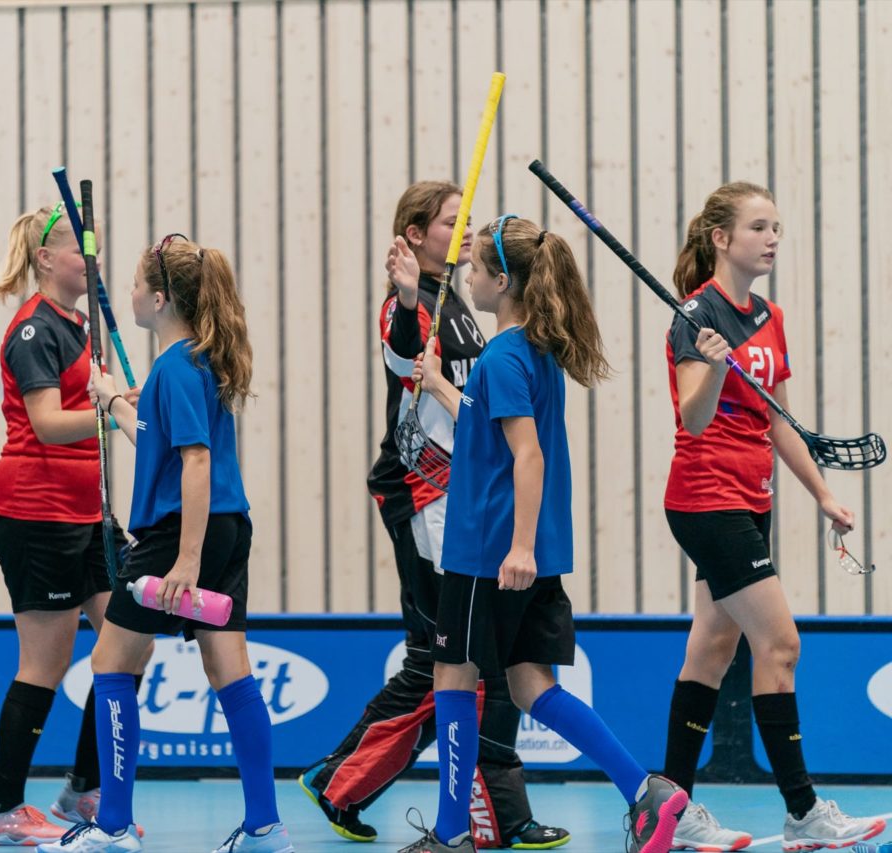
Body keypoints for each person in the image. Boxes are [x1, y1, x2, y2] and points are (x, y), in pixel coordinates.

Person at [400, 216, 687, 853]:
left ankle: (450, 835)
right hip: (529, 550)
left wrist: (518, 546)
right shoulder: (533, 349)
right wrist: (442, 385)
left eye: (475, 268)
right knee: (532, 687)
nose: (468, 275)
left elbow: (526, 456)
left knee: (452, 677)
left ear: (503, 281)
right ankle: (647, 793)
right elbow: (486, 424)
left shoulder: (503, 355)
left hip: (490, 551)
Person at [299, 181, 567, 849]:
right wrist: (411, 296)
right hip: (428, 497)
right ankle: (364, 784)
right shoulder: (414, 302)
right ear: (415, 235)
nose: (466, 232)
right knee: (453, 661)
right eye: (453, 222)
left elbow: (472, 400)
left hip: (469, 497)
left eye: (470, 221)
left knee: (458, 661)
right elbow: (400, 357)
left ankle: (357, 783)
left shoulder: (473, 308)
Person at [659, 183, 887, 852]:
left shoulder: (769, 316)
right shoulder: (692, 314)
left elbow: (777, 420)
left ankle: (669, 811)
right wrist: (707, 363)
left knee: (711, 647)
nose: (772, 238)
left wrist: (822, 493)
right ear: (722, 238)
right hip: (704, 497)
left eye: (776, 227)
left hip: (751, 499)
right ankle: (803, 811)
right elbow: (692, 418)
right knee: (780, 644)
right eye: (759, 227)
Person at [54, 234, 292, 853]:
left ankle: (111, 828)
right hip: (227, 528)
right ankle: (265, 826)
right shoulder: (190, 363)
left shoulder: (177, 367)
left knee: (111, 666)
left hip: (183, 535)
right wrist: (110, 404)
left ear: (158, 299)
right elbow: (157, 446)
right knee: (229, 670)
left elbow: (194, 462)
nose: (128, 293)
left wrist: (185, 558)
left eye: (136, 284)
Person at [0, 202, 150, 845]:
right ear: (45, 258)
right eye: (78, 246)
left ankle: (82, 787)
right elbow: (47, 425)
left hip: (89, 515)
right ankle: (0, 811)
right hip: (35, 511)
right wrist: (111, 410)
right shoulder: (34, 330)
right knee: (44, 664)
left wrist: (119, 398)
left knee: (130, 644)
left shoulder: (80, 326)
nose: (91, 257)